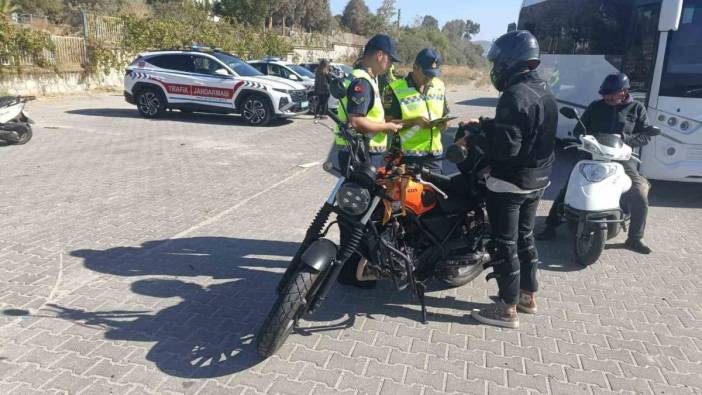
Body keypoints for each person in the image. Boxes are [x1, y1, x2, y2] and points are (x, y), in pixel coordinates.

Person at [457, 30, 558, 328]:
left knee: (503, 243)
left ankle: (506, 308)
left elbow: (506, 148)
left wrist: (475, 142)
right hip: (538, 179)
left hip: (511, 183)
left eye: (498, 62)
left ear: (510, 62)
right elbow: (526, 128)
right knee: (525, 237)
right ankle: (527, 295)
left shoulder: (514, 94)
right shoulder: (543, 88)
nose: (495, 68)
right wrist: (486, 124)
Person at [536, 73, 653, 254]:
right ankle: (550, 227)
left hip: (622, 159)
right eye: (604, 94)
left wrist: (624, 138)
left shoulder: (637, 108)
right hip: (593, 156)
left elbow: (646, 135)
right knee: (569, 188)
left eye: (611, 93)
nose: (607, 97)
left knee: (638, 194)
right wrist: (586, 139)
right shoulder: (595, 106)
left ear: (623, 91)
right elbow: (578, 130)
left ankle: (635, 238)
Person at [335, 34, 403, 288]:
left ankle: (350, 270)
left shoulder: (366, 78)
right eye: (389, 61)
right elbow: (357, 120)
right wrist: (387, 127)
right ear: (379, 55)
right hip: (361, 157)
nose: (390, 66)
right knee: (358, 216)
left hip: (361, 155)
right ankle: (352, 273)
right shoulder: (362, 81)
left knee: (354, 214)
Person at [385, 48, 450, 173]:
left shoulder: (439, 86)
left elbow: (445, 114)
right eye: (427, 74)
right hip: (406, 158)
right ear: (415, 67)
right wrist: (414, 122)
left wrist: (445, 123)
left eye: (433, 74)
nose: (430, 78)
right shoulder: (396, 89)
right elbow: (387, 124)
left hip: (434, 158)